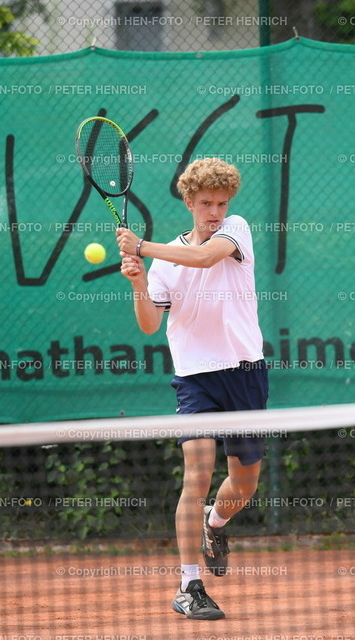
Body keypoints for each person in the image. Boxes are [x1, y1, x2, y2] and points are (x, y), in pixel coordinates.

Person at [116, 157, 268, 621]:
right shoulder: (163, 264)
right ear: (189, 202)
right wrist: (140, 282)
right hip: (196, 379)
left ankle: (215, 523)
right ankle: (189, 585)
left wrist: (143, 246)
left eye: (221, 203)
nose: (215, 212)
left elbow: (204, 256)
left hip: (245, 373)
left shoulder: (235, 230)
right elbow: (148, 325)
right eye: (206, 204)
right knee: (196, 476)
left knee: (243, 484)